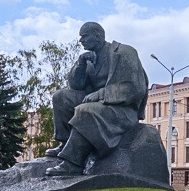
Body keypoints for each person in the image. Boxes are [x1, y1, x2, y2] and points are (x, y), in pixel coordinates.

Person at [45, 22, 149, 176]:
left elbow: (134, 89)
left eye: (85, 36)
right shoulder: (90, 58)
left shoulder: (124, 52)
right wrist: (80, 64)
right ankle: (66, 144)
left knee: (85, 110)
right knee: (61, 97)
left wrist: (101, 94)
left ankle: (72, 163)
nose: (81, 40)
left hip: (122, 109)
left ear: (98, 36)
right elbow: (75, 85)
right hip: (98, 105)